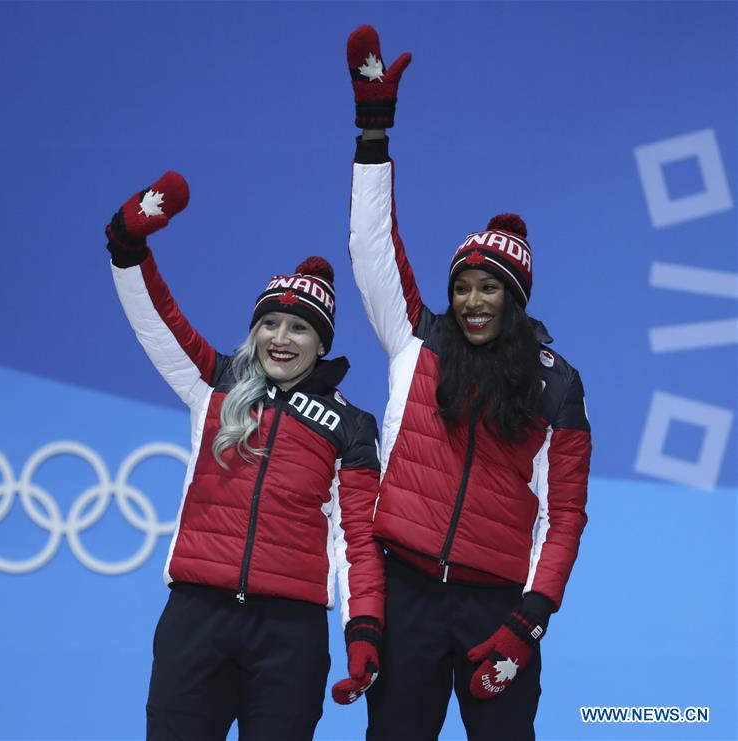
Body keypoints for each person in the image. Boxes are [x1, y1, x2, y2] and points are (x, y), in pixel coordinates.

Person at [343, 25, 592, 741]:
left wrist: (530, 617)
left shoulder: (557, 383)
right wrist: (372, 129)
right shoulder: (415, 342)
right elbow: (370, 248)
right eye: (463, 286)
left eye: (491, 288)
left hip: (495, 605)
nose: (474, 300)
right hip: (407, 591)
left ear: (515, 299)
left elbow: (563, 515)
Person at [104, 170, 385, 740]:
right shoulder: (214, 384)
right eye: (269, 323)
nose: (281, 338)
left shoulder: (350, 425)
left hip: (290, 634)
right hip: (197, 619)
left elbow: (357, 538)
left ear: (323, 343)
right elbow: (158, 322)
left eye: (300, 328)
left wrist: (365, 629)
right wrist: (127, 246)